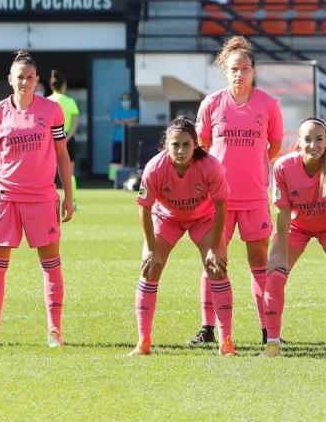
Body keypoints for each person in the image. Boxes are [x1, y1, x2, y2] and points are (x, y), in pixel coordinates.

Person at [0, 50, 74, 349]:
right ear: (10, 79)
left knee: (51, 264)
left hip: (42, 198)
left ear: (37, 80)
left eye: (30, 77)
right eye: (19, 76)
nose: (24, 81)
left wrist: (69, 196)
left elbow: (61, 154)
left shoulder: (51, 111)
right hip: (4, 198)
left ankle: (54, 332)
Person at [193, 36, 283, 345]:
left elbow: (275, 147)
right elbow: (202, 145)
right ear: (226, 71)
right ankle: (207, 328)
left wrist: (253, 167)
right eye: (234, 68)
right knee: (214, 260)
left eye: (245, 68)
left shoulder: (268, 105)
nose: (239, 74)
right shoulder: (212, 104)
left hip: (255, 197)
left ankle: (266, 329)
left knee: (259, 262)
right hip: (218, 201)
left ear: (253, 71)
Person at [130, 117, 233, 356]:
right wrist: (152, 247)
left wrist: (215, 247)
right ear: (166, 145)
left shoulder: (210, 166)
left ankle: (226, 342)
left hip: (203, 218)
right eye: (175, 145)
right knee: (149, 267)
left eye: (187, 145)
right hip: (167, 218)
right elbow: (143, 208)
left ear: (196, 145)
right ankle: (143, 342)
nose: (181, 150)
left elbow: (221, 207)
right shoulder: (154, 168)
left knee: (216, 267)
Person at [262, 117, 326, 359]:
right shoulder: (283, 166)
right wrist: (281, 254)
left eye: (319, 139)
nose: (313, 145)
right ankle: (272, 345)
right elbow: (283, 213)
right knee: (275, 275)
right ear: (298, 141)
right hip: (297, 227)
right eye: (307, 139)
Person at [47, 70, 79, 202]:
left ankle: (49, 200)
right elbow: (75, 123)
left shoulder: (46, 101)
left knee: (49, 172)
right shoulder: (70, 101)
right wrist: (67, 137)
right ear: (64, 85)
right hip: (67, 137)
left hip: (50, 138)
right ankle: (72, 200)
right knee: (69, 173)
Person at [111, 92, 139, 164]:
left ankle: (125, 175)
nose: (125, 101)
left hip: (129, 140)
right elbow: (116, 122)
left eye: (127, 99)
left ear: (130, 101)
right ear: (121, 101)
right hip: (118, 140)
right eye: (123, 100)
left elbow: (134, 120)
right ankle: (112, 175)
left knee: (128, 160)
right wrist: (128, 120)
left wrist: (121, 121)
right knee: (115, 160)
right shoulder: (117, 111)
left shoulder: (134, 111)